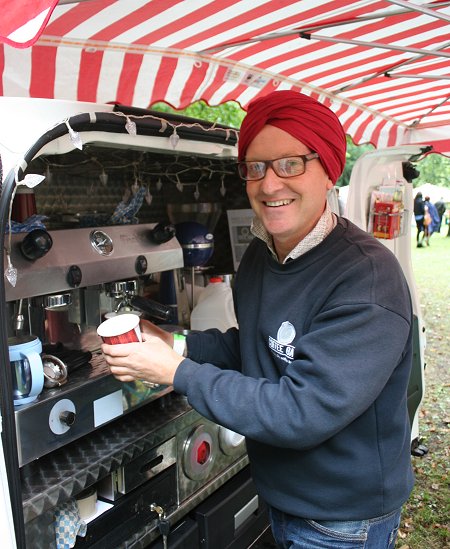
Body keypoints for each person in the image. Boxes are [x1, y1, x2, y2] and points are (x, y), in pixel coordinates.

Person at [102, 91, 414, 549]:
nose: (269, 185)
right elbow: (256, 346)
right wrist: (177, 343)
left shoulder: (365, 279)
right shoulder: (262, 255)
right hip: (283, 493)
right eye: (255, 167)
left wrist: (176, 372)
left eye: (290, 164)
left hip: (343, 518)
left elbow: (301, 411)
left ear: (328, 171)